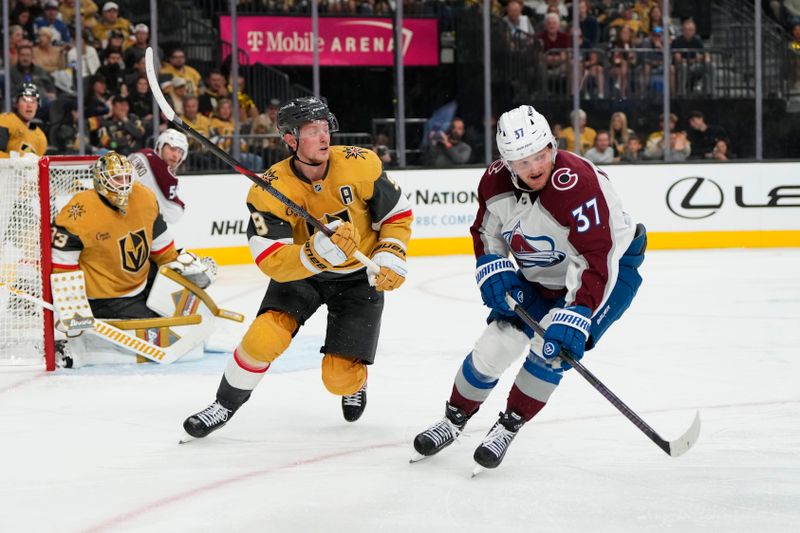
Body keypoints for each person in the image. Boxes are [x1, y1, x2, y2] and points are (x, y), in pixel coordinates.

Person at [412, 105, 646, 471]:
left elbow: (598, 257)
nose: (535, 167)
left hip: (606, 273)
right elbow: (486, 232)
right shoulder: (494, 182)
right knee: (496, 341)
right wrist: (491, 266)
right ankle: (454, 418)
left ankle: (509, 425)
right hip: (543, 271)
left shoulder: (578, 184)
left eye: (541, 155)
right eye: (522, 162)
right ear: (506, 163)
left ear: (553, 146)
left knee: (550, 350)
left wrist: (579, 311)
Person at [182, 96, 413, 439]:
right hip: (302, 274)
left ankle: (355, 382)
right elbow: (271, 259)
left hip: (358, 280)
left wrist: (390, 253)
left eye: (325, 128)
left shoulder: (361, 164)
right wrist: (315, 254)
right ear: (290, 139)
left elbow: (395, 215)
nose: (324, 137)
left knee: (338, 379)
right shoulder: (270, 189)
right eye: (311, 131)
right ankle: (224, 404)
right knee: (263, 337)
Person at [50, 152, 216, 367]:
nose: (124, 185)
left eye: (127, 178)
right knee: (166, 332)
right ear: (101, 180)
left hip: (143, 280)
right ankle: (91, 349)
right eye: (117, 179)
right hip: (107, 296)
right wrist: (73, 310)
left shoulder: (144, 196)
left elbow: (162, 249)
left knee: (188, 313)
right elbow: (63, 266)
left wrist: (181, 271)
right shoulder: (78, 211)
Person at [128, 129, 189, 224]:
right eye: (172, 149)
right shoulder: (167, 176)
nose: (176, 155)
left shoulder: (144, 152)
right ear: (160, 146)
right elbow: (174, 215)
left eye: (180, 152)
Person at [0, 83, 48, 158]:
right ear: (16, 103)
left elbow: (40, 166)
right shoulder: (5, 121)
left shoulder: (40, 136)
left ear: (37, 105)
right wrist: (15, 163)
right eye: (25, 100)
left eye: (33, 101)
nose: (29, 105)